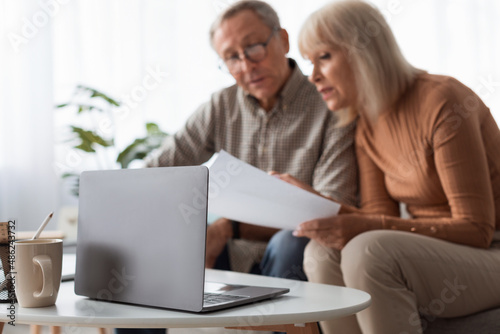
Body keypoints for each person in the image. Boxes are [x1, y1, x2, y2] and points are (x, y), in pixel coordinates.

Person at [115, 1, 357, 333]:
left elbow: (329, 215)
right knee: (144, 249)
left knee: (291, 243)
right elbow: (155, 173)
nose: (246, 65)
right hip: (228, 255)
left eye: (255, 47)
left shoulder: (330, 106)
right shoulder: (220, 106)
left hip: (291, 252)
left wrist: (229, 226)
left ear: (283, 40)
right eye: (231, 57)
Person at [272, 1, 500, 333]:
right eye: (310, 62)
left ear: (363, 52)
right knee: (321, 254)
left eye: (324, 57)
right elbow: (377, 216)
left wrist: (356, 222)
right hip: (444, 250)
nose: (314, 76)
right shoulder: (366, 125)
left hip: (491, 248)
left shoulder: (442, 100)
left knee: (370, 251)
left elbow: (477, 230)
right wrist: (321, 206)